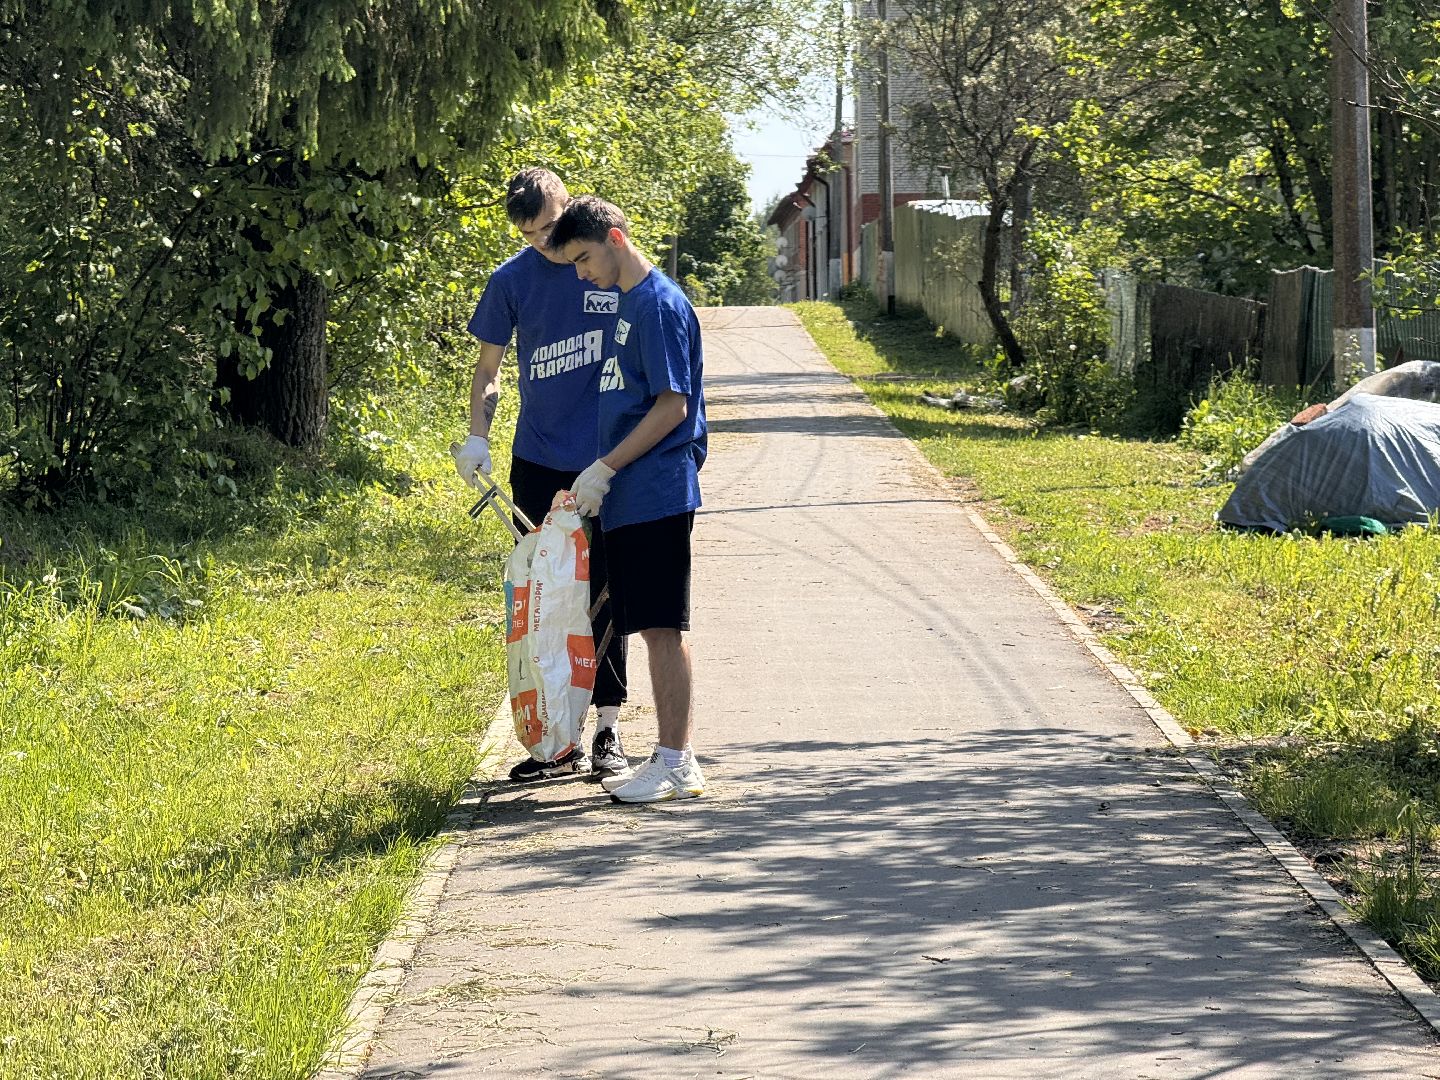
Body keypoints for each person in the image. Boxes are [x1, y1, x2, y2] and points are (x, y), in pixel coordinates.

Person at [453, 169, 630, 783]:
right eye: (528, 234)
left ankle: (608, 728)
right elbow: (489, 370)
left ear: (568, 207)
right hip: (537, 457)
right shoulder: (511, 281)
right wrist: (479, 433)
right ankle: (557, 739)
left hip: (605, 459)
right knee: (546, 598)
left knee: (605, 590)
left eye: (550, 228)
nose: (542, 243)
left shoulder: (606, 266)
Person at [547, 195, 708, 804]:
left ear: (615, 239)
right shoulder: (625, 303)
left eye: (585, 259)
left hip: (655, 491)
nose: (582, 273)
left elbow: (673, 407)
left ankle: (676, 761)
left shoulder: (658, 306)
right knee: (649, 626)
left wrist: (604, 468)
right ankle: (670, 757)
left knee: (664, 628)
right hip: (628, 494)